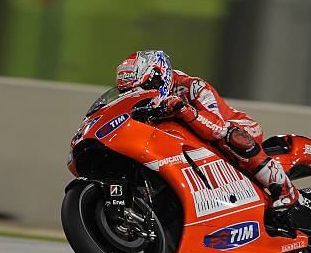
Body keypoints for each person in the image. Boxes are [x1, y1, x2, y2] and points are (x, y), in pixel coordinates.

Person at [116, 50, 300, 209]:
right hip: (195, 143)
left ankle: (285, 191)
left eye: (143, 88)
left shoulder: (193, 86)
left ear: (159, 75)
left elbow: (218, 127)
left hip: (240, 127)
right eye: (130, 93)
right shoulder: (144, 105)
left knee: (232, 136)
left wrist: (184, 110)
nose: (139, 95)